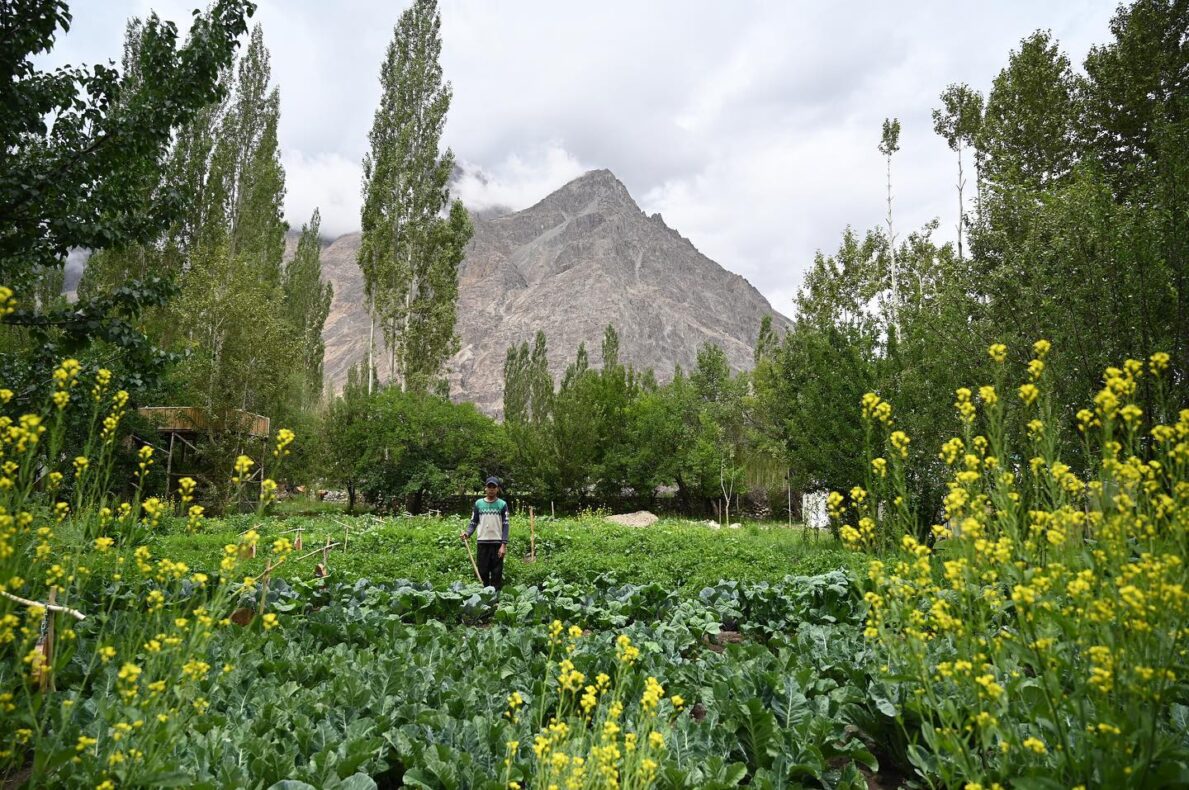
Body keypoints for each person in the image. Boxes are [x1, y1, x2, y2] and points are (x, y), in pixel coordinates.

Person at [460, 476, 509, 588]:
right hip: (482, 543)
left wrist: (503, 545)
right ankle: (485, 597)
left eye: (494, 487)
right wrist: (467, 533)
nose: (491, 489)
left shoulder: (502, 504)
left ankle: (495, 599)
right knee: (483, 572)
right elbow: (474, 522)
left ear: (497, 489)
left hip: (497, 543)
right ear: (485, 488)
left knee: (497, 573)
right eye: (489, 487)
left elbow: (506, 525)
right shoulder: (478, 504)